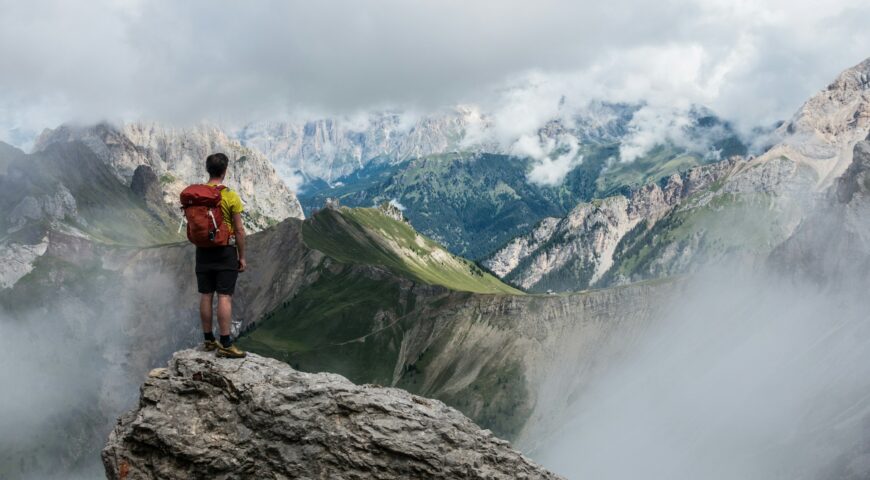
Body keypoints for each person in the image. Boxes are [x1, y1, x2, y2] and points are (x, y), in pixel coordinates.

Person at [195, 153, 247, 358]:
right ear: (225, 171)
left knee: (206, 295)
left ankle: (208, 340)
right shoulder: (230, 196)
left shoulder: (197, 195)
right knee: (224, 296)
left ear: (208, 170)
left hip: (203, 251)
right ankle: (225, 343)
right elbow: (240, 230)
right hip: (225, 250)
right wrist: (241, 257)